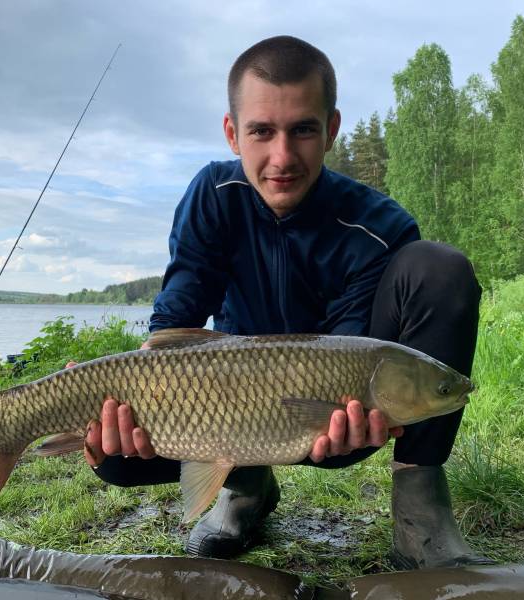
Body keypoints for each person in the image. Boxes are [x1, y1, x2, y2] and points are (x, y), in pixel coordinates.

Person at [78, 35, 493, 570]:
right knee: (114, 458)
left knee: (438, 267)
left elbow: (349, 350)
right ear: (233, 134)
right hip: (225, 400)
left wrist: (346, 413)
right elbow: (174, 323)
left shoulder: (379, 226)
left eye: (302, 130)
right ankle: (244, 489)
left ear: (331, 131)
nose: (282, 157)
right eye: (261, 131)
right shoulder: (213, 195)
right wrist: (119, 394)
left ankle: (421, 516)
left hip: (331, 407)